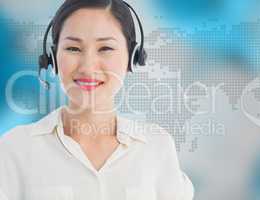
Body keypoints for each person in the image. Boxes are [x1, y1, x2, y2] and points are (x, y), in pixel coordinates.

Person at [0, 0, 194, 199]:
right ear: (52, 57)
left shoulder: (157, 147)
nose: (88, 66)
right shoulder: (15, 149)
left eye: (105, 48)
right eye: (73, 49)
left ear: (133, 57)